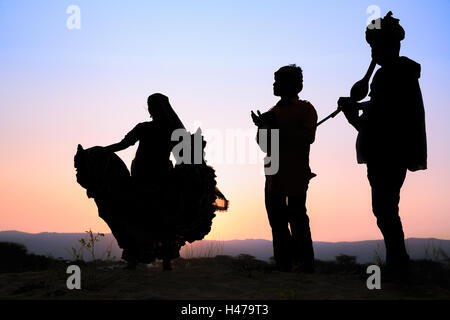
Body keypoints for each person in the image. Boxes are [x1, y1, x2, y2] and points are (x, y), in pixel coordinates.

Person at [338, 12, 427, 269]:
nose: (372, 51)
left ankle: (399, 265)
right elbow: (379, 114)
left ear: (388, 45)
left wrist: (350, 116)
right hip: (392, 153)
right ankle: (398, 264)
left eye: (374, 45)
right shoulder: (396, 74)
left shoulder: (391, 76)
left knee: (385, 210)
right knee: (386, 209)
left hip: (387, 154)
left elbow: (379, 124)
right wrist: (356, 110)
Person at [103, 93, 185, 270]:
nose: (149, 108)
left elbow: (123, 144)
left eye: (151, 105)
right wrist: (103, 150)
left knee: (137, 217)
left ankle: (139, 260)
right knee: (159, 217)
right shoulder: (171, 129)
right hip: (157, 176)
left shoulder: (147, 128)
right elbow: (124, 144)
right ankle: (164, 261)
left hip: (148, 178)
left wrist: (102, 150)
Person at [252, 65, 317, 273]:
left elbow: (308, 138)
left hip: (296, 174)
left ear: (293, 85)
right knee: (277, 223)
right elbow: (263, 145)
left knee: (297, 219)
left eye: (278, 81)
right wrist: (262, 126)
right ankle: (284, 265)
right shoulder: (272, 112)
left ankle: (305, 265)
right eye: (275, 80)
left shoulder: (306, 109)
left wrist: (274, 127)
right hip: (273, 176)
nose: (274, 84)